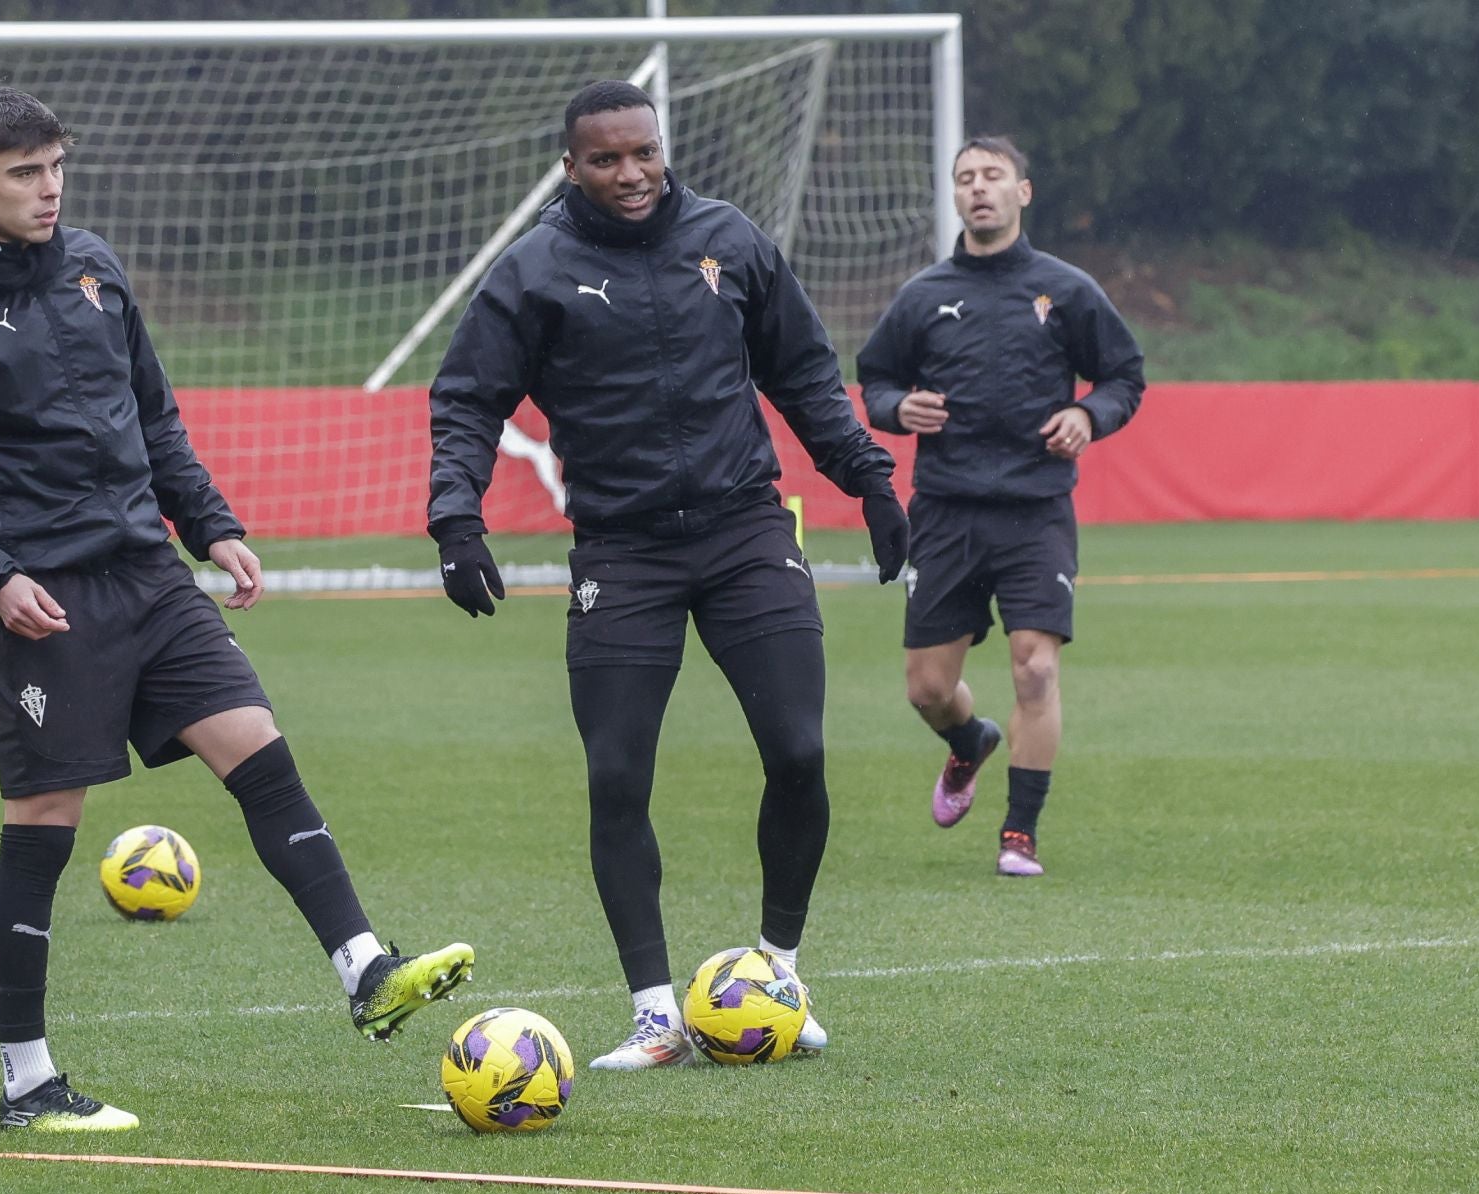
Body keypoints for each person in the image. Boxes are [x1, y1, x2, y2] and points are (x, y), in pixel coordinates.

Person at [0, 86, 473, 1133]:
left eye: (57, 166)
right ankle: (27, 1081)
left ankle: (366, 967)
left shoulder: (97, 268)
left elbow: (153, 416)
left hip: (151, 576)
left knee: (260, 750)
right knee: (43, 833)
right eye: (25, 173)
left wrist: (213, 525)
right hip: (44, 602)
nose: (49, 189)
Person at [427, 81, 909, 1070]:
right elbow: (469, 400)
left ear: (663, 146)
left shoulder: (730, 241)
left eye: (643, 152)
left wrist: (869, 478)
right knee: (616, 776)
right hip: (623, 550)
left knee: (800, 752)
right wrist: (455, 518)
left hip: (744, 532)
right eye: (606, 159)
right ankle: (654, 1012)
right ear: (571, 167)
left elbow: (806, 373)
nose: (632, 173)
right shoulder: (535, 271)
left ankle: (774, 971)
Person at [856, 135, 1146, 878]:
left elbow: (1123, 377)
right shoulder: (924, 295)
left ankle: (1020, 832)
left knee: (1035, 670)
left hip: (1036, 510)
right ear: (954, 196)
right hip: (946, 512)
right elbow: (875, 379)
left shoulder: (1067, 290)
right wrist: (896, 407)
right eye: (965, 178)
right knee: (926, 688)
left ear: (1024, 191)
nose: (978, 188)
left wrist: (1089, 416)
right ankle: (968, 742)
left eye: (993, 176)